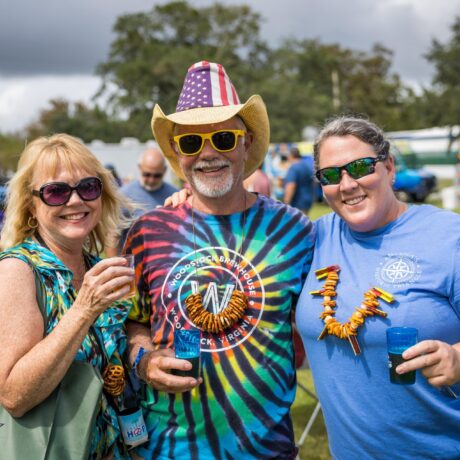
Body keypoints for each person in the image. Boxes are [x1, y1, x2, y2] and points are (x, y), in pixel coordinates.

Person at [124, 61, 315, 459]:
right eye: (192, 143)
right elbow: (133, 320)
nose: (208, 154)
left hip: (267, 448)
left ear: (246, 143)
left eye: (224, 138)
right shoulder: (148, 232)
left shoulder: (295, 230)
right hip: (168, 447)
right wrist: (143, 361)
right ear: (177, 153)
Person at [296, 116, 460, 459]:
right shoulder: (312, 238)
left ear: (388, 167)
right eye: (330, 175)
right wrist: (188, 199)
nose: (347, 184)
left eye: (359, 167)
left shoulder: (448, 236)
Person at [0, 134, 136, 459]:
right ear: (33, 204)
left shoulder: (96, 268)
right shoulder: (19, 270)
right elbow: (13, 394)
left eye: (87, 187)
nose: (75, 201)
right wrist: (83, 309)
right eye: (56, 192)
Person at [283, 146, 314, 213]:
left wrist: (286, 203)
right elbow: (313, 183)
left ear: (291, 156)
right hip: (307, 201)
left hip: (297, 203)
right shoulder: (306, 166)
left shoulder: (293, 168)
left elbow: (291, 185)